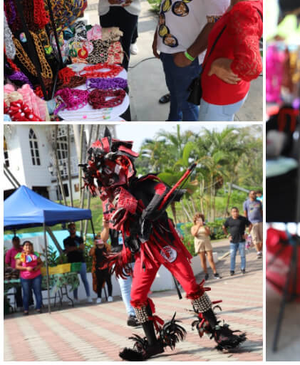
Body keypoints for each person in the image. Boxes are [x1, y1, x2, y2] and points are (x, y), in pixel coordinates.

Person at [83, 137, 245, 359]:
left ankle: (217, 331)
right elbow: (126, 230)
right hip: (144, 252)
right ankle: (152, 343)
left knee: (190, 286)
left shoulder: (143, 184)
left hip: (165, 244)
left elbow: (163, 190)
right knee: (137, 298)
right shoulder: (114, 200)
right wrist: (130, 241)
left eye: (107, 170)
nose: (105, 177)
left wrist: (149, 214)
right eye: (101, 174)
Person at [199, 0, 263, 121]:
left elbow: (252, 67)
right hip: (229, 94)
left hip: (219, 98)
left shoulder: (243, 12)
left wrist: (218, 64)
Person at [101, 226, 138, 327]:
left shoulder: (131, 212)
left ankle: (142, 311)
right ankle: (131, 314)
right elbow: (103, 239)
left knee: (138, 286)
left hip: (134, 254)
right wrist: (106, 225)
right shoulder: (111, 217)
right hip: (119, 256)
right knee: (124, 286)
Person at [63, 222, 92, 303]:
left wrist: (72, 248)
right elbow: (67, 249)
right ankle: (75, 298)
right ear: (68, 230)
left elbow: (82, 248)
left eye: (74, 228)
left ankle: (88, 296)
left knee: (84, 279)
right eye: (71, 228)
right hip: (72, 262)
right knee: (74, 281)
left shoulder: (80, 238)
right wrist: (77, 247)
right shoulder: (66, 240)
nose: (72, 230)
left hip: (81, 261)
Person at [16, 241, 43, 315]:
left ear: (32, 247)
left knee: (37, 292)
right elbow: (17, 266)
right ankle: (26, 309)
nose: (28, 247)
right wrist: (26, 268)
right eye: (26, 245)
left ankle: (38, 308)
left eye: (29, 245)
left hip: (36, 276)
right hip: (25, 277)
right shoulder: (20, 255)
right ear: (23, 247)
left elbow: (41, 263)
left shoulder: (35, 254)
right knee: (26, 293)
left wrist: (37, 267)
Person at [191, 213, 221, 280]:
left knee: (210, 258)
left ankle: (215, 272)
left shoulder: (205, 226)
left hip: (206, 242)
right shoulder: (193, 227)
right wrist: (198, 227)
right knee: (203, 260)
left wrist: (205, 227)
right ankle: (206, 273)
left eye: (200, 219)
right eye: (197, 220)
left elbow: (208, 233)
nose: (198, 221)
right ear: (195, 221)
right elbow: (194, 234)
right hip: (199, 243)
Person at [223, 207, 251, 276]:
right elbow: (224, 227)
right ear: (231, 212)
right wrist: (228, 236)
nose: (235, 213)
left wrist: (247, 233)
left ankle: (243, 269)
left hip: (241, 240)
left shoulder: (242, 218)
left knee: (242, 256)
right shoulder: (229, 220)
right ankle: (232, 270)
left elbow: (250, 225)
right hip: (233, 241)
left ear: (238, 212)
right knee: (232, 256)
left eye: (237, 211)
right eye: (234, 211)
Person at [5, 236, 26, 311]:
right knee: (18, 289)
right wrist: (10, 270)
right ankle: (19, 305)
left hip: (24, 271)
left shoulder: (23, 250)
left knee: (27, 288)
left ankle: (30, 303)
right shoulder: (10, 251)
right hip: (15, 273)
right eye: (15, 241)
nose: (17, 243)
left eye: (18, 241)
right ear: (13, 242)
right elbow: (7, 262)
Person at [90, 238, 113, 303]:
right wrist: (95, 245)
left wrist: (105, 243)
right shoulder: (95, 249)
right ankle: (99, 297)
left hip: (107, 267)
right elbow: (90, 253)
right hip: (98, 267)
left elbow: (111, 251)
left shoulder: (106, 247)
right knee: (99, 282)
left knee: (108, 281)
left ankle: (110, 296)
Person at [243, 190, 263, 259]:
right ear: (249, 195)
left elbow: (261, 212)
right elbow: (245, 214)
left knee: (262, 238)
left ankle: (260, 250)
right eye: (253, 194)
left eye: (255, 194)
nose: (254, 195)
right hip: (251, 223)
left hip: (260, 222)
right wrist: (246, 224)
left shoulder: (259, 202)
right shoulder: (246, 203)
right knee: (255, 238)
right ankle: (258, 252)